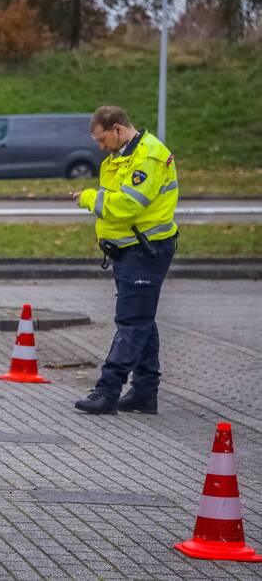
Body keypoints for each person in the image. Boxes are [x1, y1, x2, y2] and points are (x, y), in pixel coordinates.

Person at [71, 106, 178, 415]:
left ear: (117, 129)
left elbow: (127, 206)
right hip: (129, 250)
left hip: (146, 251)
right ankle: (144, 393)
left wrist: (89, 198)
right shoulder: (120, 157)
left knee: (132, 322)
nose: (100, 147)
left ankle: (107, 390)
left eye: (102, 139)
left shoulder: (148, 157)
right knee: (141, 320)